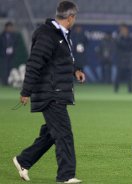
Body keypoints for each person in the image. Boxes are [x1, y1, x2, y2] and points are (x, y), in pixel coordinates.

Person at [13, 1, 84, 183]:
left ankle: (23, 160)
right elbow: (35, 63)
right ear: (70, 17)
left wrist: (75, 70)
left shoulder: (62, 34)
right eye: (74, 17)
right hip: (50, 92)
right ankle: (66, 176)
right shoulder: (47, 34)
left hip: (57, 91)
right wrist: (26, 90)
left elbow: (62, 59)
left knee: (52, 133)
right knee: (64, 134)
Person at [114, 23, 132, 93]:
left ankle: (130, 89)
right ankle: (116, 89)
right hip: (121, 58)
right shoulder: (118, 37)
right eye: (122, 29)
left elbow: (131, 46)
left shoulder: (130, 37)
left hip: (129, 58)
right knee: (118, 75)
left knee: (129, 75)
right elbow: (119, 46)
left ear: (127, 29)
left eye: (124, 29)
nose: (123, 30)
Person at [0, 21, 18, 86]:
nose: (10, 28)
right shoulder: (2, 36)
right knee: (4, 69)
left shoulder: (14, 36)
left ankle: (9, 82)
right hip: (3, 56)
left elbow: (15, 45)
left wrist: (13, 51)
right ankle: (4, 82)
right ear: (6, 27)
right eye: (9, 27)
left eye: (11, 27)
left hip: (11, 56)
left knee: (10, 69)